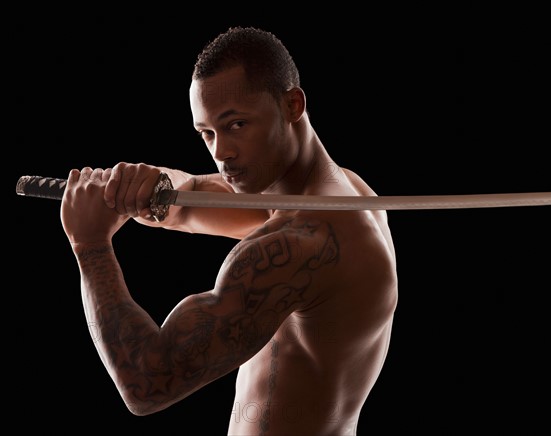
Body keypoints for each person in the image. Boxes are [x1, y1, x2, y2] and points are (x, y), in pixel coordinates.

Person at [60, 26, 398, 435]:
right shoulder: (338, 191)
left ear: (292, 105)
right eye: (206, 133)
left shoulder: (306, 242)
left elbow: (147, 383)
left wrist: (90, 245)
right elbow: (193, 197)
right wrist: (146, 187)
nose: (221, 152)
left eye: (236, 124)